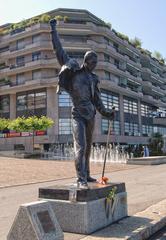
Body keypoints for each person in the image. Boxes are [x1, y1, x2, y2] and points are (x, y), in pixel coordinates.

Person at [50, 19, 115, 189]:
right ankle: (80, 179)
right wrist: (53, 30)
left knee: (88, 149)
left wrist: (106, 112)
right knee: (81, 146)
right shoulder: (73, 71)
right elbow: (59, 49)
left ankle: (86, 175)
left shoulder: (93, 79)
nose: (94, 66)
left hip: (91, 115)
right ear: (86, 62)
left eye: (96, 64)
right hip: (77, 114)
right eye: (92, 63)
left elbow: (97, 100)